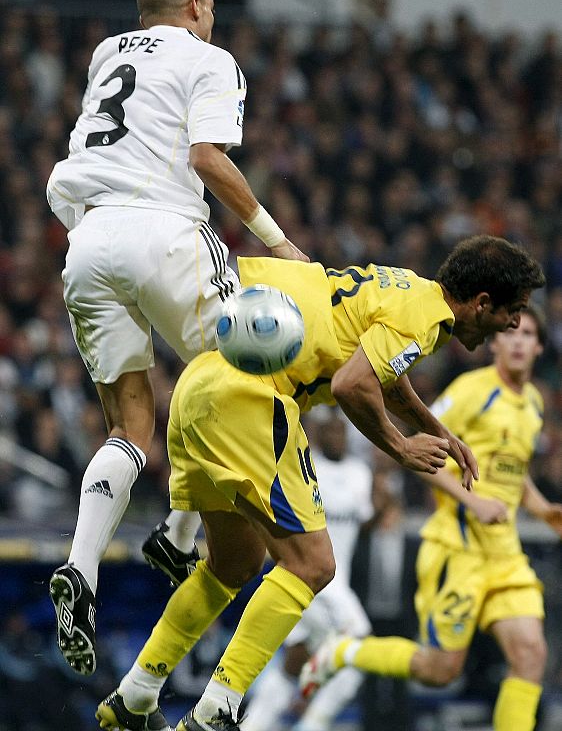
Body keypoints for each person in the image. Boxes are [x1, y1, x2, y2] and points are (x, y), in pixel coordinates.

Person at [93, 234, 545, 731]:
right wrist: (400, 446)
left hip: (202, 386)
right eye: (514, 311)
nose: (515, 324)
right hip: (252, 400)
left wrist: (436, 430)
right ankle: (217, 710)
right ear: (482, 303)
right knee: (312, 564)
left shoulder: (408, 290)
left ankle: (133, 696)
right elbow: (355, 383)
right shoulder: (426, 318)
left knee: (234, 563)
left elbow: (384, 376)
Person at [47, 0, 307, 679]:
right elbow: (207, 159)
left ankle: (81, 565)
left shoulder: (106, 53)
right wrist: (277, 240)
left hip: (88, 238)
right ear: (197, 6)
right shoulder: (210, 57)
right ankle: (181, 526)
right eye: (212, 11)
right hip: (165, 231)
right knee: (246, 368)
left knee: (130, 426)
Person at [301, 304, 562, 731]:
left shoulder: (533, 403)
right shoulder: (471, 391)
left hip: (506, 557)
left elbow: (511, 473)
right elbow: (421, 450)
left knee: (530, 654)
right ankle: (343, 653)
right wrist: (471, 502)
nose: (518, 341)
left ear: (538, 347)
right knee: (439, 670)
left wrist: (540, 507)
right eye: (511, 333)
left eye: (529, 335)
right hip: (456, 551)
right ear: (494, 342)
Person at [242, 408, 373, 731]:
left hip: (339, 584)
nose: (336, 437)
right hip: (313, 579)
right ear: (318, 433)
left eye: (341, 431)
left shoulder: (361, 474)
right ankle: (314, 724)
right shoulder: (306, 469)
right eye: (330, 431)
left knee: (294, 661)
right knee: (360, 645)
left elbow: (363, 520)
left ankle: (252, 726)